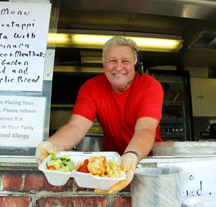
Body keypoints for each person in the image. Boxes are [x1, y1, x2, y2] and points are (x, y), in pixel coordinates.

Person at [35, 36, 164, 194]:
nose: (118, 67)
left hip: (146, 160)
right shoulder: (91, 88)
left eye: (126, 61)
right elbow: (76, 126)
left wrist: (131, 158)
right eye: (112, 61)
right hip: (110, 166)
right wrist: (51, 145)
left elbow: (145, 129)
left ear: (135, 65)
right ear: (104, 64)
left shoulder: (151, 86)